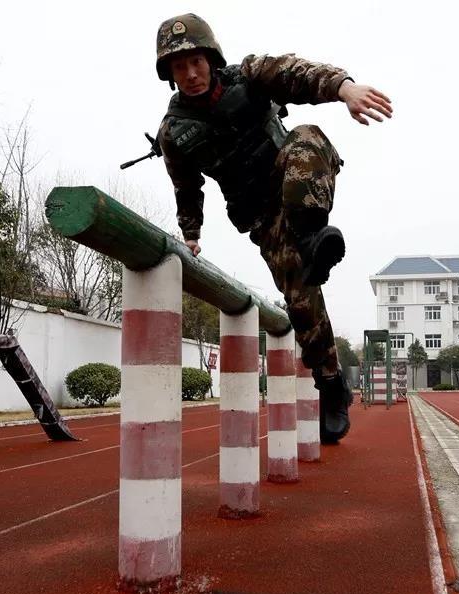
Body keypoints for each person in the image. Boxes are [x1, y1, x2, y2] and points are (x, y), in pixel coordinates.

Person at [154, 13, 392, 443]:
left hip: (293, 184)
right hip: (263, 217)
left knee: (307, 138)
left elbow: (298, 73)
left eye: (196, 62)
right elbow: (186, 187)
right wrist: (191, 233)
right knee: (301, 300)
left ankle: (312, 235)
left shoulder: (250, 75)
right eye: (178, 67)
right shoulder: (175, 133)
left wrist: (345, 88)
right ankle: (331, 383)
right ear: (169, 74)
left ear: (211, 58)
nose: (190, 74)